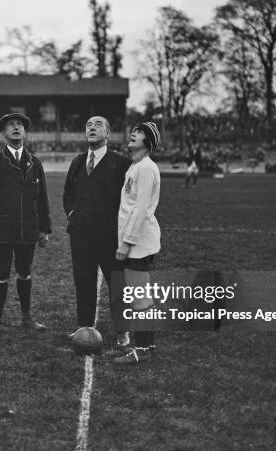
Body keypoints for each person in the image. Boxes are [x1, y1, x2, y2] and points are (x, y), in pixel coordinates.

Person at [0, 113, 52, 338]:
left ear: (25, 131)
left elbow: (43, 198)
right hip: (2, 231)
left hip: (28, 229)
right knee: (0, 276)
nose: (15, 127)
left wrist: (44, 229)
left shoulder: (34, 161)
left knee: (25, 274)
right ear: (3, 133)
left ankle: (26, 317)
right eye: (10, 125)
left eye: (20, 124)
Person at [63, 116, 131, 346]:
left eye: (98, 125)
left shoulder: (121, 162)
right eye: (88, 125)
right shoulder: (78, 160)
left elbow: (128, 200)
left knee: (116, 282)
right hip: (80, 234)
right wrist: (72, 214)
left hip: (109, 235)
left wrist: (120, 231)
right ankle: (84, 327)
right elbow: (67, 195)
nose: (92, 128)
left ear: (108, 133)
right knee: (83, 281)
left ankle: (123, 331)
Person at [113, 122, 162, 364]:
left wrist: (126, 242)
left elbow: (140, 209)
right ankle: (147, 347)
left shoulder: (145, 168)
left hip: (139, 243)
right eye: (133, 131)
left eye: (139, 133)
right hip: (138, 242)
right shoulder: (137, 166)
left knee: (139, 297)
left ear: (149, 142)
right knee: (140, 295)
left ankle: (142, 351)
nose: (133, 133)